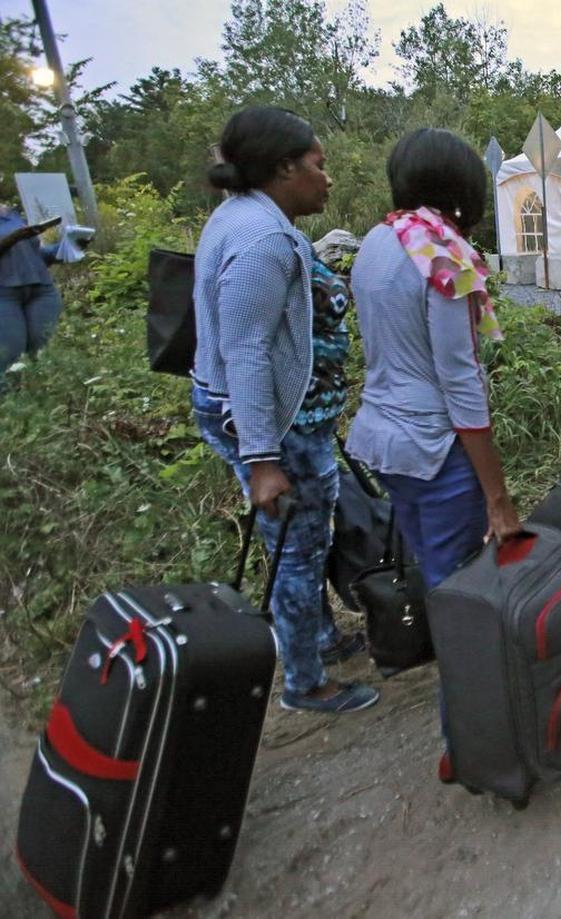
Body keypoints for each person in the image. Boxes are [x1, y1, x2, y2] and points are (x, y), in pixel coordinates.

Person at [191, 106, 378, 714]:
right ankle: (304, 684)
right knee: (299, 551)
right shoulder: (263, 239)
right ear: (283, 167)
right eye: (318, 167)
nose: (327, 179)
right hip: (276, 428)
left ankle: (319, 640)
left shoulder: (244, 218)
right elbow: (246, 351)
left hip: (284, 421)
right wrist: (263, 458)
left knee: (300, 544)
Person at [347, 127, 521, 591]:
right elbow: (460, 380)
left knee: (433, 571)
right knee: (460, 587)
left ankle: (454, 655)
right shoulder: (440, 255)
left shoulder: (376, 241)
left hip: (382, 440)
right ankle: (469, 661)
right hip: (433, 447)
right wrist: (497, 497)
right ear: (460, 185)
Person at [0, 206, 65, 389]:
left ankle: (41, 404)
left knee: (41, 352)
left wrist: (62, 249)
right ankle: (10, 410)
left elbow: (32, 254)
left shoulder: (10, 213)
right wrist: (13, 238)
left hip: (41, 290)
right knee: (9, 357)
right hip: (4, 294)